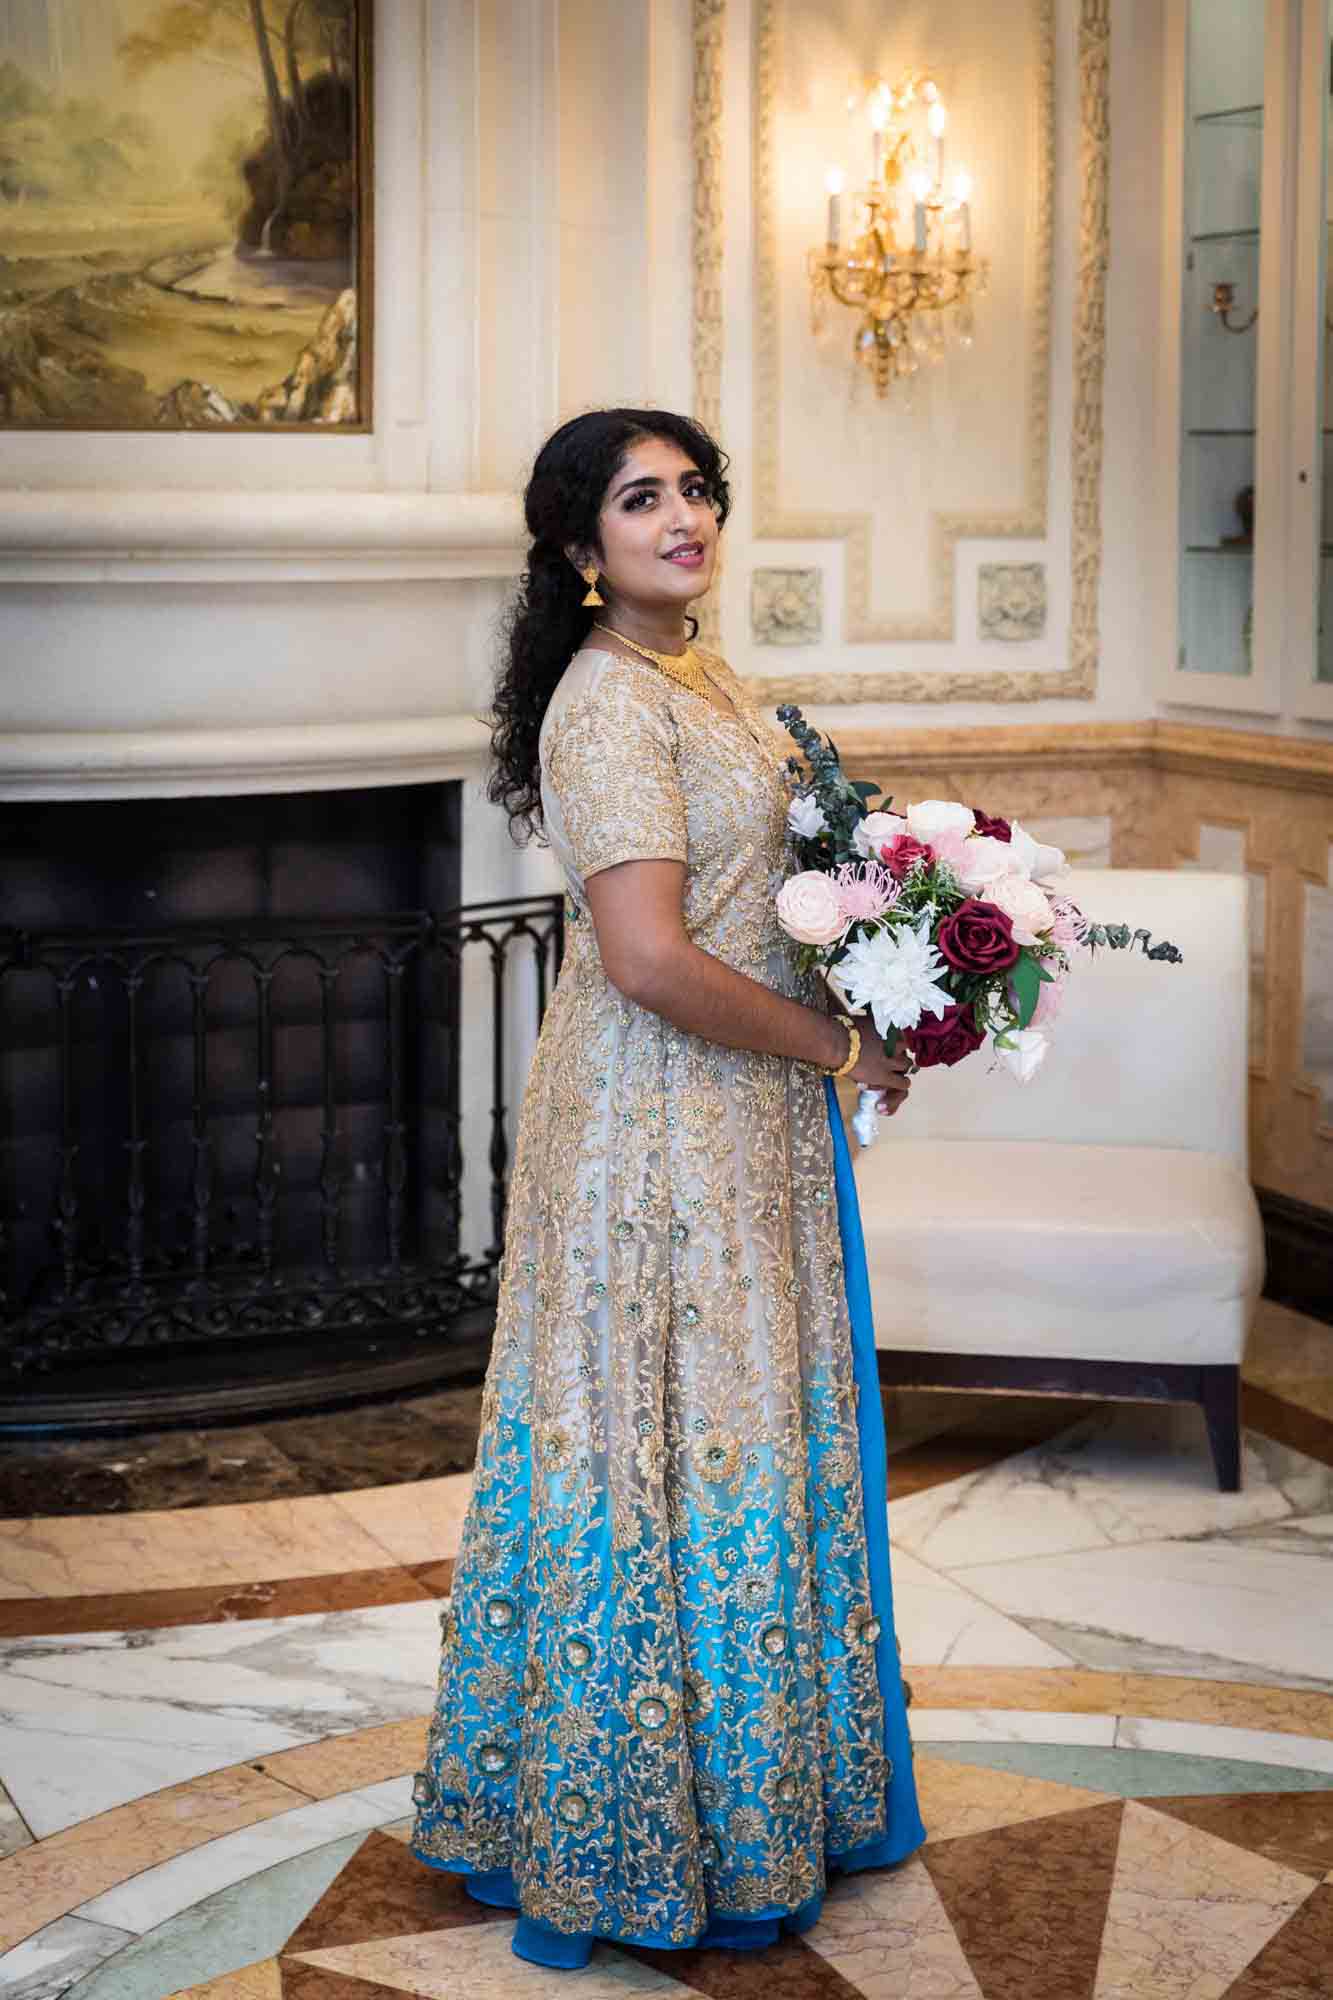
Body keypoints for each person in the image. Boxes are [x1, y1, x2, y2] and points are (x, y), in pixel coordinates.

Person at [409, 407, 925, 1968]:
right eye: (642, 499)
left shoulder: (702, 677)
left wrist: (896, 941)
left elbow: (755, 893)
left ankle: (759, 1795)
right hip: (658, 1129)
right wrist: (836, 1043)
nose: (684, 515)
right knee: (671, 1442)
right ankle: (634, 1830)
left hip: (742, 1114)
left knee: (744, 1429)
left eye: (696, 489)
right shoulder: (607, 706)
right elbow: (644, 960)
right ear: (580, 550)